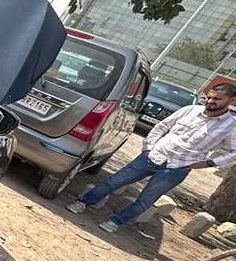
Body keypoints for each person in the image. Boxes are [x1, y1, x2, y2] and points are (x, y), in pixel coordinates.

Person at [66, 83, 236, 232]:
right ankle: (83, 202)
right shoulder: (189, 111)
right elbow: (161, 127)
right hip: (153, 156)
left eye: (217, 99)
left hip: (177, 168)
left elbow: (234, 153)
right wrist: (148, 148)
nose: (210, 101)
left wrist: (208, 163)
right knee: (114, 182)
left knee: (146, 200)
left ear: (231, 101)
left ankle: (115, 222)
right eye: (208, 97)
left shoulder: (230, 126)